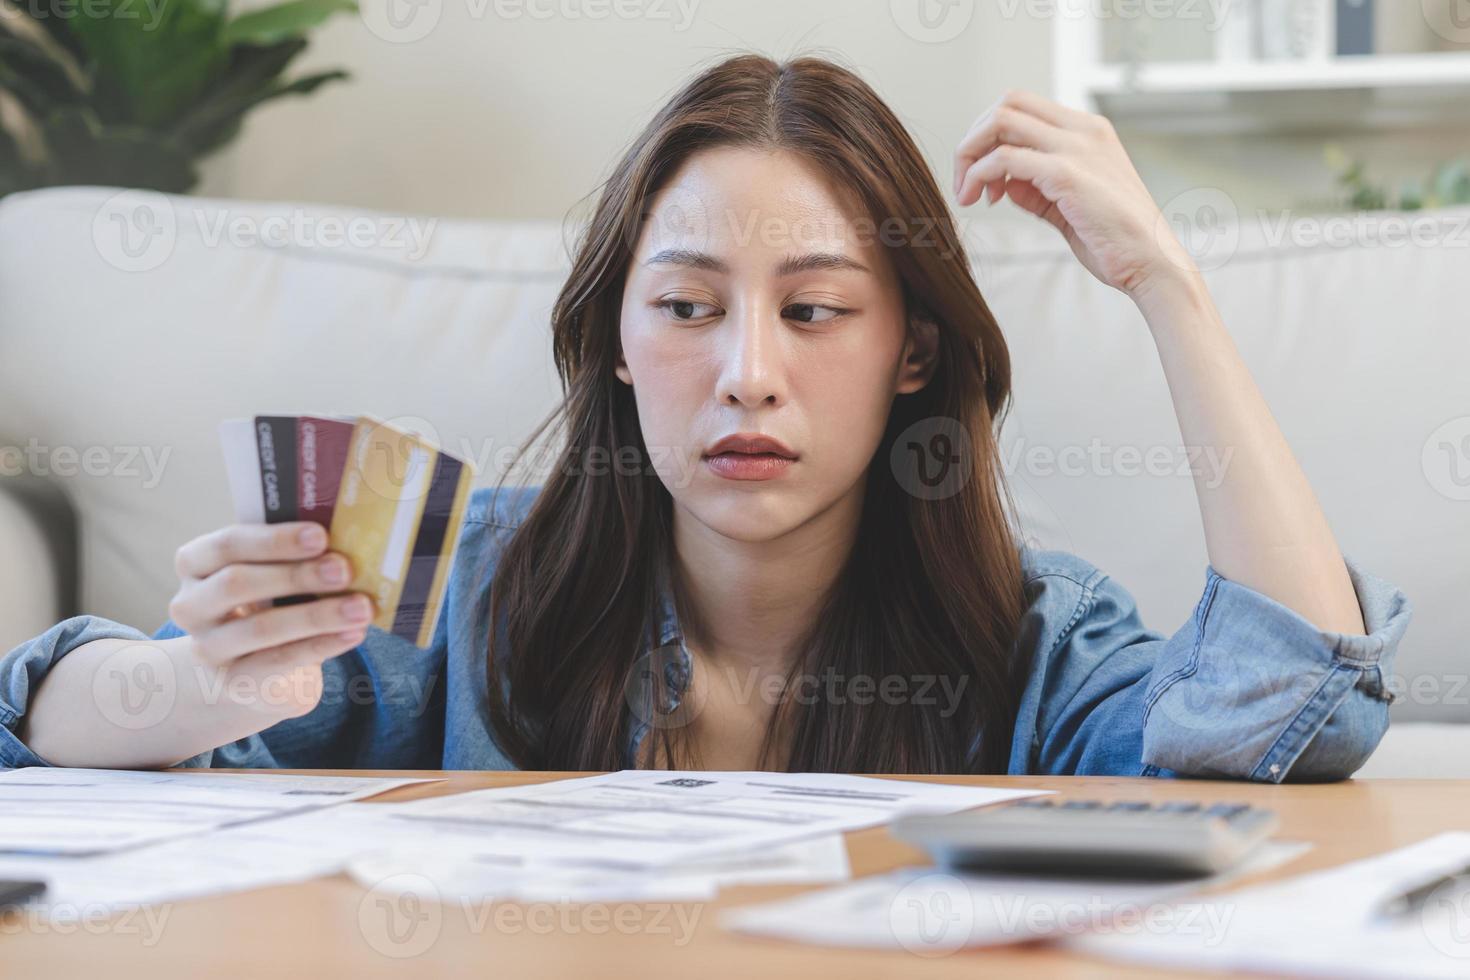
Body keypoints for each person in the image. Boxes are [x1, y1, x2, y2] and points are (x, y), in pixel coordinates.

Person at [5, 55, 1409, 778]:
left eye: (812, 311)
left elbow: (1287, 719)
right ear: (615, 345)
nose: (745, 371)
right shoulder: (460, 583)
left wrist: (1167, 285)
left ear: (913, 353)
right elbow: (38, 724)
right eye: (683, 308)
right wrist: (200, 685)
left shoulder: (1030, 636)